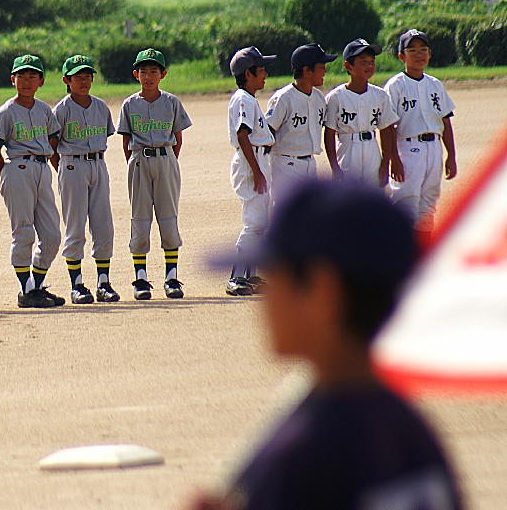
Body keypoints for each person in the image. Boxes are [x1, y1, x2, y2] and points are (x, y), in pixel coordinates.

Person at [191, 179, 463, 510]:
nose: (266, 297)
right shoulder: (413, 432)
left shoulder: (300, 456)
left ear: (323, 293)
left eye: (275, 274)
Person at [0, 54, 64, 309]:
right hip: (17, 168)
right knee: (23, 232)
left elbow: (53, 138)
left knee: (52, 235)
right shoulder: (5, 112)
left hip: (42, 169)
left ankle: (35, 286)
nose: (27, 81)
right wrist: (8, 175)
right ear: (13, 80)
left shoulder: (44, 110)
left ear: (41, 81)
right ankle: (27, 289)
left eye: (33, 76)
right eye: (21, 75)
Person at [116, 48, 192, 300]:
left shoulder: (171, 102)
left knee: (168, 218)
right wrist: (136, 163)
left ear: (163, 74)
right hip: (139, 160)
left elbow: (178, 138)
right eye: (143, 71)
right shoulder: (129, 104)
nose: (148, 76)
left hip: (165, 158)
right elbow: (125, 141)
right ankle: (140, 278)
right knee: (140, 219)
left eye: (154, 71)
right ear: (136, 74)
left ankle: (171, 277)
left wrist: (167, 160)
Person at [50, 54, 119, 304]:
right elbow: (52, 145)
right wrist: (64, 168)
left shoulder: (101, 107)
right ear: (66, 80)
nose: (83, 81)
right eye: (78, 77)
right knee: (75, 226)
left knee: (103, 225)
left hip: (98, 164)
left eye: (87, 76)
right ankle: (77, 284)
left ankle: (103, 283)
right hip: (72, 165)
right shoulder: (61, 110)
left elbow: (107, 134)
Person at [384, 29, 457, 238]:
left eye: (423, 49)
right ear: (402, 56)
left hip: (434, 148)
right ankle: (402, 250)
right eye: (412, 50)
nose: (419, 54)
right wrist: (394, 158)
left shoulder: (435, 84)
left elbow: (445, 121)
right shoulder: (395, 85)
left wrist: (451, 155)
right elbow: (388, 126)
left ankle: (423, 249)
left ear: (430, 53)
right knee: (406, 201)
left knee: (428, 203)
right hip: (408, 148)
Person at [226, 47, 277, 296]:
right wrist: (256, 171)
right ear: (249, 73)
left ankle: (250, 274)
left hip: (257, 159)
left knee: (261, 222)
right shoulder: (243, 99)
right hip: (251, 162)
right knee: (254, 222)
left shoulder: (248, 98)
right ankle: (236, 277)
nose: (265, 74)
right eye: (261, 69)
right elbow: (242, 134)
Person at [265, 44, 335, 205]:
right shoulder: (283, 98)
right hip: (285, 164)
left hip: (310, 163)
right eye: (321, 67)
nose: (325, 71)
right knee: (287, 208)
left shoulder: (319, 98)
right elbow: (268, 132)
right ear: (307, 70)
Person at [324, 39, 402, 186]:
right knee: (348, 195)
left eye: (372, 62)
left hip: (371, 148)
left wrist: (385, 163)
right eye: (363, 62)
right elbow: (329, 133)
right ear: (348, 66)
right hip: (347, 149)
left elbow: (386, 129)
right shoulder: (335, 97)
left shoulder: (380, 95)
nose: (369, 66)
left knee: (373, 194)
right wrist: (334, 167)